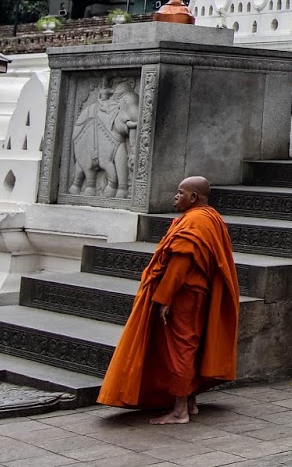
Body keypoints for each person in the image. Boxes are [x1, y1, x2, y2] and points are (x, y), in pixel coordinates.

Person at [98, 176, 239, 424]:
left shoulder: (195, 221)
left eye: (180, 192)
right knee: (190, 345)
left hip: (184, 295)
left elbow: (180, 264)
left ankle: (179, 411)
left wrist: (165, 298)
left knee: (180, 349)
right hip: (198, 292)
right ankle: (190, 402)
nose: (176, 196)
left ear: (193, 197)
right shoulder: (211, 217)